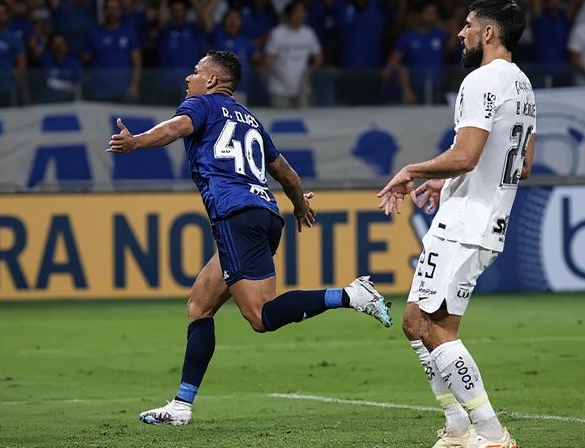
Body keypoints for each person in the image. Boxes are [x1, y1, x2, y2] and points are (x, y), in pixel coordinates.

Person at [106, 50, 392, 425]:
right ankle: (181, 405)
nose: (189, 77)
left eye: (195, 71)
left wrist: (135, 142)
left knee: (261, 316)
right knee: (200, 306)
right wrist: (297, 206)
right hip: (264, 213)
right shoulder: (251, 120)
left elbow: (175, 129)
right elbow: (286, 173)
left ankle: (351, 295)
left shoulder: (200, 105)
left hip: (235, 215)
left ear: (211, 81)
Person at [377, 1, 535, 447]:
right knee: (416, 323)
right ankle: (459, 427)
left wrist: (414, 172)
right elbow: (522, 165)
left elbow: (466, 154)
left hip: (467, 224)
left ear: (488, 33)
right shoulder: (523, 86)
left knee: (435, 330)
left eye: (467, 26)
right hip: (480, 217)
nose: (459, 34)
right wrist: (444, 187)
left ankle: (490, 433)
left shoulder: (481, 80)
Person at [385, 0, 448, 104]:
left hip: (437, 90)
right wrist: (406, 89)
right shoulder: (407, 37)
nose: (431, 17)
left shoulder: (441, 35)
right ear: (420, 15)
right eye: (428, 13)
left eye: (434, 13)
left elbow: (453, 50)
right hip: (413, 91)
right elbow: (393, 62)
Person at [265, 1, 323, 107]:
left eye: (303, 12)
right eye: (298, 12)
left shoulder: (309, 33)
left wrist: (308, 72)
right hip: (280, 88)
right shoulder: (277, 33)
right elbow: (268, 58)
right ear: (289, 14)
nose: (301, 15)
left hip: (302, 89)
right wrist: (280, 76)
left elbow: (318, 58)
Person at [82, 0, 141, 101]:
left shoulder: (128, 32)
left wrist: (134, 85)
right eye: (109, 8)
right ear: (103, 11)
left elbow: (137, 63)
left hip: (124, 90)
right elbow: (85, 60)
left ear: (120, 11)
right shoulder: (94, 34)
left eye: (115, 8)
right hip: (100, 91)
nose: (112, 11)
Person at [208, 8, 261, 104]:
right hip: (217, 90)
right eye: (230, 18)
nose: (232, 21)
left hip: (241, 90)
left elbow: (258, 59)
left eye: (236, 18)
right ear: (224, 21)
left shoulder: (246, 41)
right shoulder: (216, 37)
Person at [37, 32, 82, 103]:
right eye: (55, 44)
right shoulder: (45, 60)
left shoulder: (74, 62)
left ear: (66, 46)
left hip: (69, 101)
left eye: (61, 44)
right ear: (50, 46)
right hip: (48, 101)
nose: (59, 47)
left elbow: (78, 83)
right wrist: (66, 86)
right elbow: (47, 81)